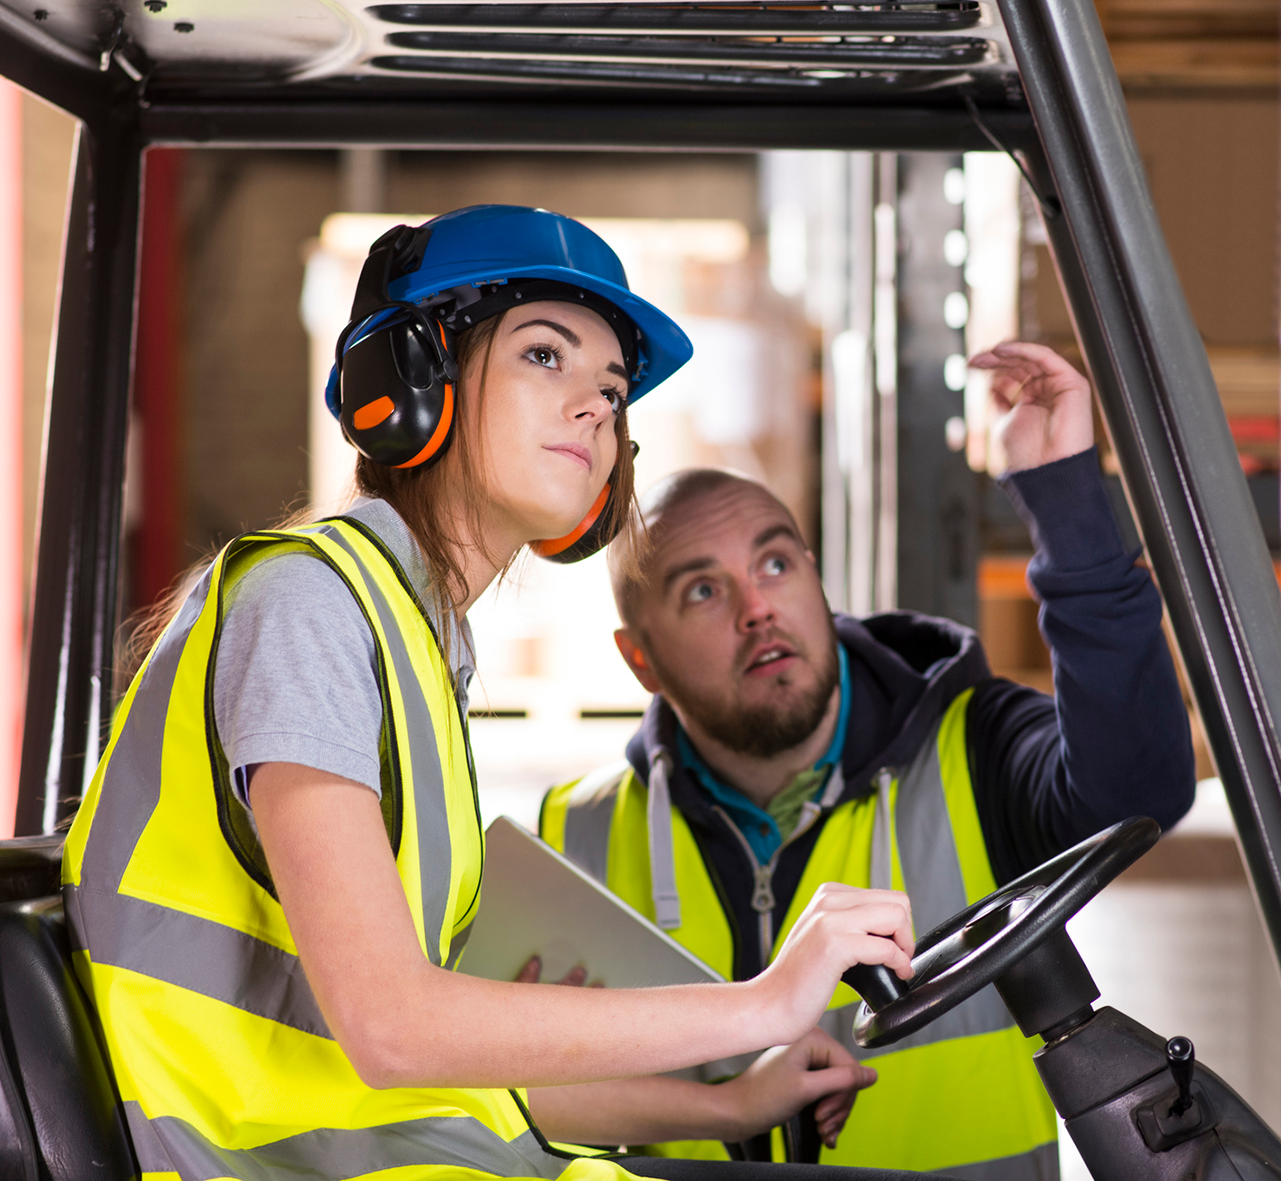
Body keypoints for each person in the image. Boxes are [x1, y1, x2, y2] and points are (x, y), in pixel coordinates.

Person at [61, 205, 945, 1181]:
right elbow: (391, 1029)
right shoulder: (307, 605)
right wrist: (764, 1003)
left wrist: (731, 1097)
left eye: (612, 389)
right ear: (406, 382)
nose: (595, 407)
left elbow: (455, 1067)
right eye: (544, 357)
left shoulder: (417, 646)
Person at [541, 341, 1197, 1180]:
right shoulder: (578, 834)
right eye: (702, 590)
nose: (757, 609)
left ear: (815, 580)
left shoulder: (976, 748)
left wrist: (1064, 496)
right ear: (642, 661)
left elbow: (1138, 788)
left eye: (775, 563)